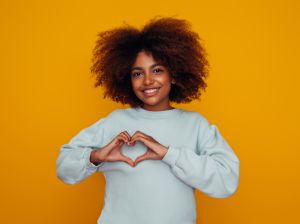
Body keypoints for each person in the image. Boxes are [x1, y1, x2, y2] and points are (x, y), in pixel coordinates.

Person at [56, 15, 240, 224]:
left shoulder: (195, 125)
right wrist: (96, 156)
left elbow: (227, 181)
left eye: (157, 70)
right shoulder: (114, 122)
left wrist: (169, 154)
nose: (148, 81)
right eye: (137, 73)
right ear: (128, 79)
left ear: (174, 74)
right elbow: (64, 169)